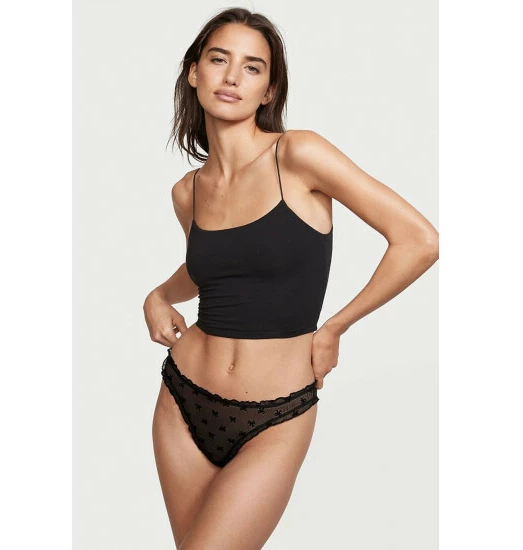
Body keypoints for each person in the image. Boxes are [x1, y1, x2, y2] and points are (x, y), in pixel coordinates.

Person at [143, 7, 438, 550]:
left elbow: (418, 241)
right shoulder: (188, 191)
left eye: (252, 67)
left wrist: (335, 327)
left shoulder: (299, 155)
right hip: (182, 402)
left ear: (269, 90)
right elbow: (213, 268)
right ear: (194, 72)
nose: (233, 77)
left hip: (275, 414)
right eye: (219, 60)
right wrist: (159, 295)